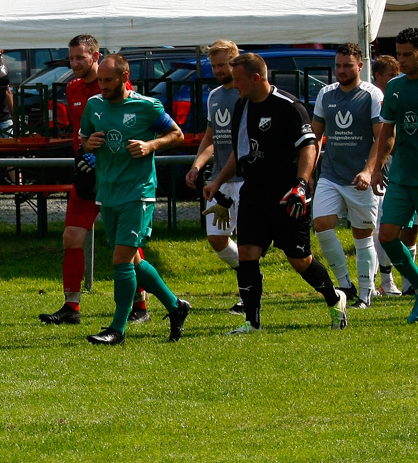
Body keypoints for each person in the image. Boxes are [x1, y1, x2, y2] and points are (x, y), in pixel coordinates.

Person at [204, 53, 347, 335]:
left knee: (299, 260)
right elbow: (240, 152)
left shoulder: (289, 107)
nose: (234, 85)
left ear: (256, 78)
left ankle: (335, 297)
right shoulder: (242, 106)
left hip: (287, 195)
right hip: (254, 193)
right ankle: (252, 322)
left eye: (238, 80)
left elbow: (309, 146)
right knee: (246, 253)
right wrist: (218, 180)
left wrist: (301, 184)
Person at [38, 35, 150, 325]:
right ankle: (71, 308)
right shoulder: (73, 87)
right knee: (71, 237)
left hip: (119, 176)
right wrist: (84, 154)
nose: (74, 64)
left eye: (80, 58)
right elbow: (80, 133)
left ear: (95, 55)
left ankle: (141, 305)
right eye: (71, 58)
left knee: (126, 245)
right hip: (87, 172)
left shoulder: (118, 87)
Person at [80, 54, 190, 345]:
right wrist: (88, 144)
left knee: (121, 260)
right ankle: (177, 307)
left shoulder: (146, 106)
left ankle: (117, 329)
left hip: (139, 192)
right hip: (108, 191)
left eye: (108, 80)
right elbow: (83, 140)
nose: (102, 85)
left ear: (124, 77)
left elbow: (177, 134)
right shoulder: (94, 106)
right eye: (100, 80)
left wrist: (151, 144)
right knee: (134, 260)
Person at [311, 43, 383, 308]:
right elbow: (315, 137)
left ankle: (366, 293)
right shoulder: (325, 94)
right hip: (330, 175)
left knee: (363, 234)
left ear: (360, 66)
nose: (341, 71)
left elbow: (382, 137)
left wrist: (368, 170)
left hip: (361, 178)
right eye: (338, 65)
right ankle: (344, 284)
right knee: (322, 224)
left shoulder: (371, 95)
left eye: (347, 66)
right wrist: (307, 172)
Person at [184, 40, 244, 314]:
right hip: (220, 180)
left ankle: (248, 294)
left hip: (246, 179)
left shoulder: (246, 95)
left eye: (223, 64)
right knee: (216, 237)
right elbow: (210, 137)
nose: (218, 70)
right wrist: (197, 166)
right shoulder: (215, 95)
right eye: (214, 65)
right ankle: (252, 277)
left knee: (246, 239)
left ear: (235, 60)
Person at [371, 28, 418, 323]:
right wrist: (377, 168)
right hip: (401, 175)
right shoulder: (396, 87)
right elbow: (387, 132)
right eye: (398, 54)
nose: (401, 61)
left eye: (408, 55)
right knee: (387, 236)